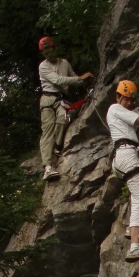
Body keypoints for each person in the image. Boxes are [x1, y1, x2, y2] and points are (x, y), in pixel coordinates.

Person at [106, 80, 139, 263]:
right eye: (125, 98)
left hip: (125, 154)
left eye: (130, 100)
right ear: (118, 97)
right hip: (126, 154)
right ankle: (135, 246)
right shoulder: (114, 108)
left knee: (137, 195)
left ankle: (133, 230)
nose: (128, 102)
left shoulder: (121, 112)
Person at [38, 36, 94, 181]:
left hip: (63, 99)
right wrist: (80, 78)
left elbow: (74, 79)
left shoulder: (64, 63)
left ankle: (57, 145)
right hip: (48, 99)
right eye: (45, 53)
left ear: (54, 48)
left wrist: (86, 82)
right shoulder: (43, 66)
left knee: (64, 117)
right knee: (48, 130)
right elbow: (58, 80)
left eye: (49, 51)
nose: (48, 55)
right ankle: (48, 167)